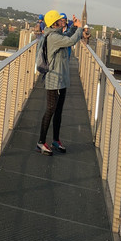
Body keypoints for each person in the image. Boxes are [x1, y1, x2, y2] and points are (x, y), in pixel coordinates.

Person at [37, 10, 83, 155]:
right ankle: (41, 142)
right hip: (54, 80)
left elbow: (67, 37)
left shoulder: (56, 35)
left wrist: (74, 28)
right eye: (60, 20)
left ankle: (55, 140)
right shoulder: (52, 37)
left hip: (61, 79)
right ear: (54, 23)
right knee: (51, 109)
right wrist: (80, 28)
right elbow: (70, 41)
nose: (62, 21)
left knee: (58, 111)